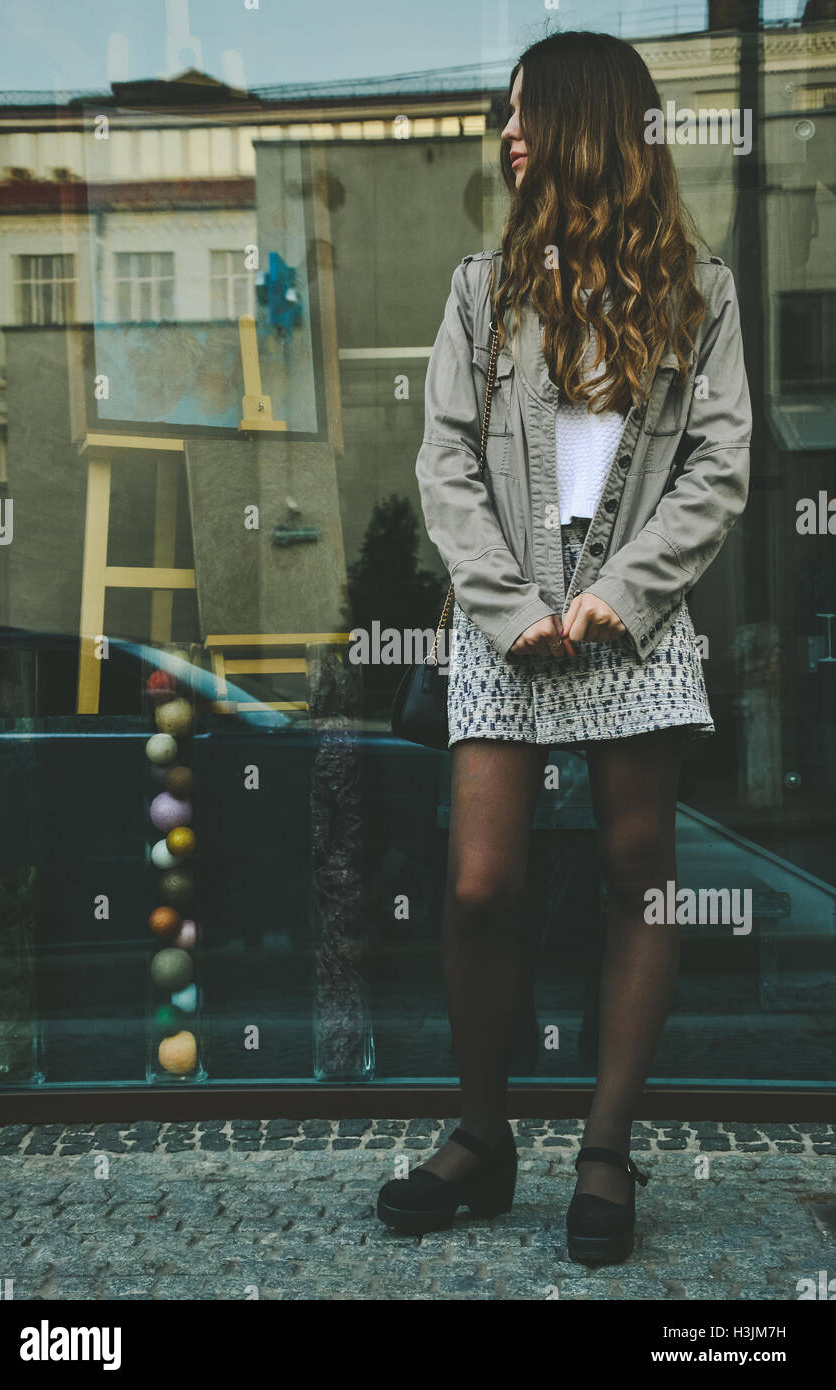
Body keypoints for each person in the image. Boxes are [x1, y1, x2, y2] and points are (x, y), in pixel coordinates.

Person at [377, 30, 752, 1264]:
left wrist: (622, 596)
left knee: (636, 868)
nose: (506, 132)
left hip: (626, 621)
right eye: (504, 112)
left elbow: (715, 468)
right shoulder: (480, 292)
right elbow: (443, 461)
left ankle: (603, 1144)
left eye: (526, 111)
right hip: (504, 624)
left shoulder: (698, 290)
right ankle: (483, 1138)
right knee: (480, 882)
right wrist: (503, 603)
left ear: (591, 122)